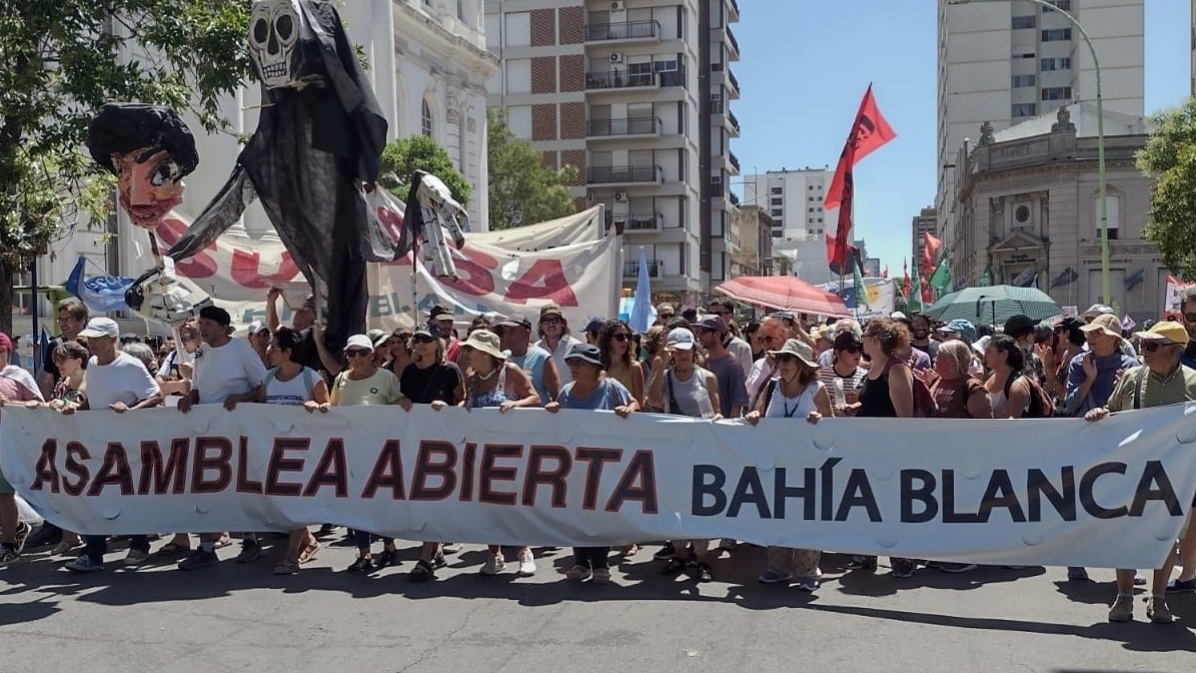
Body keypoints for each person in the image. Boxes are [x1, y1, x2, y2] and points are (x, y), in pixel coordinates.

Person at [1085, 320, 1196, 624]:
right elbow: (1112, 410)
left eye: (1151, 346)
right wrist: (1100, 414)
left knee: (1167, 535)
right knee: (1127, 533)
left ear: (1174, 351)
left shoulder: (1193, 383)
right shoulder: (1133, 378)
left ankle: (1158, 600)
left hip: (1176, 475)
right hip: (1133, 469)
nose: (1144, 352)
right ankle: (1124, 596)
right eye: (1144, 345)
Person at [57, 319, 162, 572]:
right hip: (97, 442)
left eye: (97, 339)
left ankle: (139, 544)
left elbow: (157, 395)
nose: (91, 343)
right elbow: (93, 400)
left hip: (128, 444)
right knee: (95, 494)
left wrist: (131, 409)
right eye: (90, 339)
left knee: (130, 494)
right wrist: (77, 409)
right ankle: (93, 551)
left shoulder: (131, 365)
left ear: (112, 339)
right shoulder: (92, 364)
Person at [176, 306, 269, 570]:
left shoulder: (241, 351)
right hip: (206, 430)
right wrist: (190, 398)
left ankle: (250, 540)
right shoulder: (202, 352)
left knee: (240, 486)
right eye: (201, 322)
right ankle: (206, 548)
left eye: (206, 324)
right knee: (206, 488)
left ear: (222, 327)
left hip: (235, 431)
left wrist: (240, 398)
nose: (201, 328)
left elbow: (264, 386)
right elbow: (198, 387)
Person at [546, 343, 639, 584]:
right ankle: (580, 562)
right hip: (575, 464)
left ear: (596, 367)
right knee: (578, 512)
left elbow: (635, 403)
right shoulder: (566, 392)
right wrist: (555, 410)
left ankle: (600, 563)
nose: (574, 367)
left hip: (605, 462)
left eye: (580, 363)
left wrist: (628, 409)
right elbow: (558, 424)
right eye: (571, 362)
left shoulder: (611, 387)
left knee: (600, 513)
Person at [744, 338, 831, 591]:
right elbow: (761, 415)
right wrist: (754, 417)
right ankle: (778, 568)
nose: (782, 364)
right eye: (780, 359)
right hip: (777, 464)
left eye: (788, 359)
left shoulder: (817, 389)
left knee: (807, 517)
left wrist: (820, 419)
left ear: (802, 365)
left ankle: (807, 571)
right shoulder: (772, 388)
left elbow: (834, 425)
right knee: (777, 515)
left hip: (808, 466)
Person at [453, 329, 540, 576]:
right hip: (480, 452)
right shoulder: (472, 379)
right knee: (487, 505)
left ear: (486, 354)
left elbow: (534, 397)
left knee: (511, 502)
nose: (467, 354)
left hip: (509, 450)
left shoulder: (509, 372)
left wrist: (516, 404)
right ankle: (494, 554)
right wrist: (453, 410)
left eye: (472, 350)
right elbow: (468, 404)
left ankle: (523, 550)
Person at [320, 334, 409, 572]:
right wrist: (318, 406)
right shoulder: (341, 379)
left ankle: (389, 547)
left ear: (372, 354)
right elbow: (333, 408)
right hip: (351, 451)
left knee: (382, 501)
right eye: (351, 353)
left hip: (381, 452)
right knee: (357, 504)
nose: (356, 358)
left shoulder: (385, 378)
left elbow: (400, 406)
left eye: (362, 352)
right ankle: (364, 554)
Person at [645, 328, 721, 581]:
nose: (683, 354)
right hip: (675, 450)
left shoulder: (707, 377)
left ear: (694, 350)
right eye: (677, 350)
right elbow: (652, 398)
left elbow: (717, 411)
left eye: (686, 349)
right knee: (675, 502)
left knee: (700, 504)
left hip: (702, 449)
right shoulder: (665, 377)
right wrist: (661, 366)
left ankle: (701, 558)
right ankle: (678, 554)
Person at [848, 318, 917, 578]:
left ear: (876, 339)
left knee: (892, 504)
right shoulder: (873, 368)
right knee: (868, 502)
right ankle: (868, 552)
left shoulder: (896, 370)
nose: (861, 340)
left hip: (888, 450)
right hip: (867, 447)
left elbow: (904, 417)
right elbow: (873, 404)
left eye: (865, 335)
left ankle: (902, 557)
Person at [259, 327, 329, 575]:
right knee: (286, 504)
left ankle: (290, 556)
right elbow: (257, 406)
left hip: (305, 453)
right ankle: (309, 541)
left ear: (287, 352)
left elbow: (329, 410)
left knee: (298, 503)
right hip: (275, 452)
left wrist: (317, 406)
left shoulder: (311, 378)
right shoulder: (268, 379)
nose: (268, 351)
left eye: (273, 348)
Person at [400, 324, 466, 582]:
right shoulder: (408, 372)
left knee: (432, 497)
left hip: (443, 445)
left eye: (427, 339)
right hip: (415, 442)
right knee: (419, 498)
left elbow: (462, 401)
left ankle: (425, 557)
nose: (422, 344)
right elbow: (401, 400)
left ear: (438, 344)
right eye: (417, 339)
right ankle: (434, 547)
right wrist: (401, 401)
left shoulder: (450, 370)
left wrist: (448, 408)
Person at [0, 331, 43, 565]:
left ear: (9, 351)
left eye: (1, 351)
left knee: (5, 493)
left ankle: (8, 543)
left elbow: (38, 406)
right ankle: (15, 529)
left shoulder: (19, 376)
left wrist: (9, 404)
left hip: (11, 442)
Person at [694, 315, 748, 418]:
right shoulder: (701, 362)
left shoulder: (732, 365)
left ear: (717, 334)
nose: (699, 336)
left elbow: (736, 405)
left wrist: (728, 430)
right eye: (697, 331)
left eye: (703, 331)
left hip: (720, 427)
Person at [500, 314, 560, 407]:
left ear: (527, 332)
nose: (507, 336)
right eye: (505, 332)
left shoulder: (542, 358)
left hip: (537, 418)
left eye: (512, 331)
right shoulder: (503, 356)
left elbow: (556, 397)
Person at [929, 340, 993, 419]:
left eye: (938, 355)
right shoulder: (935, 380)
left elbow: (985, 426)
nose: (934, 359)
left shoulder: (973, 389)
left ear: (952, 361)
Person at [983, 335, 1032, 419]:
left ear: (1004, 354)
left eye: (989, 351)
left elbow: (1011, 426)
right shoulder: (990, 376)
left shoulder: (1017, 386)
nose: (985, 355)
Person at [598, 320, 645, 405]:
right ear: (607, 340)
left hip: (626, 417)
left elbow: (639, 404)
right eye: (620, 337)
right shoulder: (596, 367)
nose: (626, 341)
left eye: (628, 336)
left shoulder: (634, 368)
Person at [535, 303, 583, 387]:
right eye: (546, 321)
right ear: (541, 326)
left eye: (555, 320)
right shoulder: (535, 349)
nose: (551, 325)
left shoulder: (576, 347)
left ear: (563, 324)